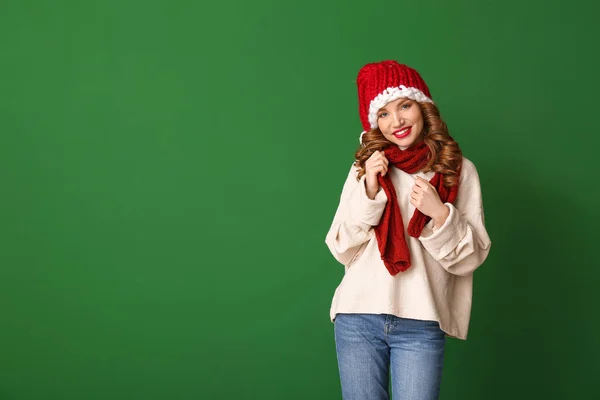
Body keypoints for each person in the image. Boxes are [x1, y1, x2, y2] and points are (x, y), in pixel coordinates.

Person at [325, 60, 492, 400]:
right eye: (383, 113)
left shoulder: (456, 170)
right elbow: (341, 245)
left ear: (423, 106)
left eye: (404, 105)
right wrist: (370, 190)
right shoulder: (366, 167)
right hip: (357, 318)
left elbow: (470, 257)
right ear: (374, 123)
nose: (396, 121)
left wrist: (440, 214)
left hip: (421, 322)